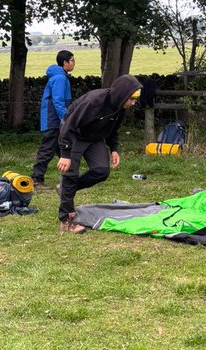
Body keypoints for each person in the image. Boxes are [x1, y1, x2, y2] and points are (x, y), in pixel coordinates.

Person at [57, 74, 142, 232]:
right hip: (74, 134)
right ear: (122, 94)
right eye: (131, 98)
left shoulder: (120, 107)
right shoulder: (93, 101)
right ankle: (66, 220)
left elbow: (113, 129)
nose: (133, 103)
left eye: (135, 99)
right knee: (69, 174)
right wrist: (65, 154)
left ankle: (65, 190)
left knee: (101, 171)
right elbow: (69, 126)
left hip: (94, 138)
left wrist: (114, 148)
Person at [32, 50, 75, 189]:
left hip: (54, 118)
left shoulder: (60, 76)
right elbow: (58, 101)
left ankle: (70, 176)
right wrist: (66, 119)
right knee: (48, 148)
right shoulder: (60, 78)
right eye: (72, 60)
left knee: (62, 148)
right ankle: (36, 179)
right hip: (54, 119)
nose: (74, 63)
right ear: (65, 63)